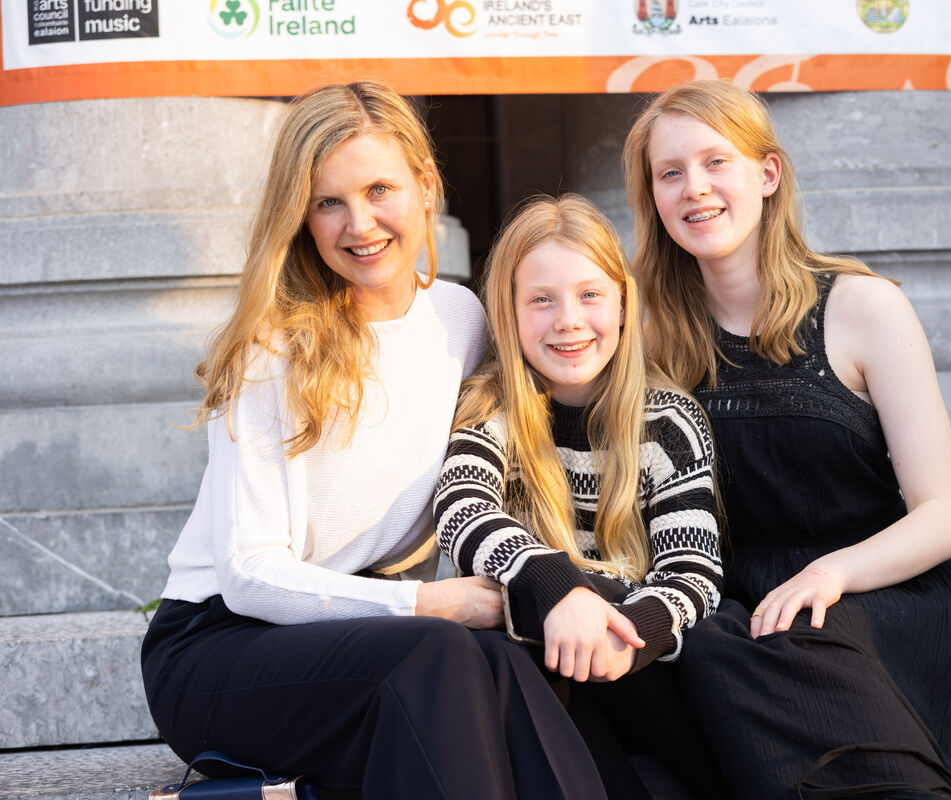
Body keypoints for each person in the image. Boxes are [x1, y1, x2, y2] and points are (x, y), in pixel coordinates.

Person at [140, 81, 606, 800]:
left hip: (366, 639)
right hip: (218, 650)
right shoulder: (275, 350)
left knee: (503, 662)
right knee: (441, 650)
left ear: (426, 187)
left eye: (379, 188)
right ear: (301, 215)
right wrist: (424, 605)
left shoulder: (463, 318)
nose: (359, 224)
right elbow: (248, 575)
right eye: (328, 201)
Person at [623, 79, 951, 800]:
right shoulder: (651, 343)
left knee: (799, 639)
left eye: (716, 162)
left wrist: (833, 573)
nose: (694, 189)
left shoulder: (864, 307)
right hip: (740, 610)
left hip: (881, 591)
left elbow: (945, 513)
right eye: (670, 173)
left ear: (767, 174)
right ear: (652, 197)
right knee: (705, 651)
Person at [434, 193, 726, 799]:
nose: (567, 319)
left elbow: (695, 574)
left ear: (623, 304)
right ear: (508, 313)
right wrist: (559, 586)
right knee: (519, 661)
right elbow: (463, 510)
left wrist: (627, 628)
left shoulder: (667, 421)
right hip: (547, 660)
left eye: (590, 294)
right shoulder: (492, 411)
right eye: (541, 300)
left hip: (641, 661)